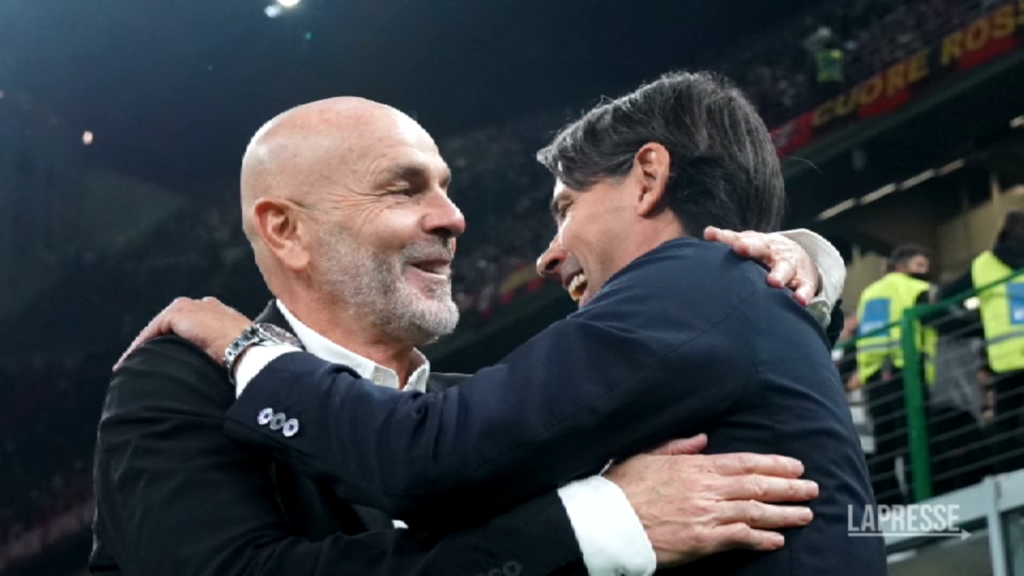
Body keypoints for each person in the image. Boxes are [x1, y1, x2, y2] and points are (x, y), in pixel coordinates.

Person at [126, 72, 883, 575]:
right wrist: (600, 519)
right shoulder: (182, 384)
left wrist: (248, 348)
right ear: (286, 230)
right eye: (404, 189)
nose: (545, 253)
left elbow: (422, 460)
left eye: (565, 207)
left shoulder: (698, 284)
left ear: (649, 177)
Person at [941, 209, 1024, 473]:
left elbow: (945, 296)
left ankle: (1007, 478)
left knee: (1005, 422)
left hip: (1004, 359)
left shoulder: (984, 264)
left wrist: (978, 326)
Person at [855, 243, 936, 504]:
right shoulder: (916, 288)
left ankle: (887, 503)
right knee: (914, 438)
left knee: (885, 444)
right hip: (906, 371)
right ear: (902, 265)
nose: (924, 271)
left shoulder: (869, 293)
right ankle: (918, 498)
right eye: (919, 265)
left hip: (874, 376)